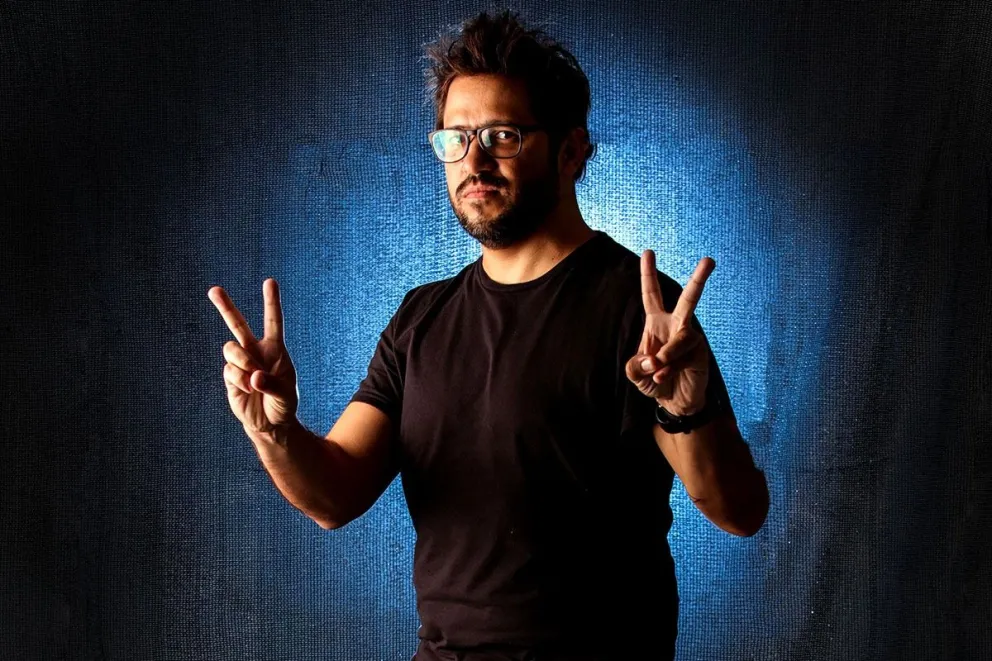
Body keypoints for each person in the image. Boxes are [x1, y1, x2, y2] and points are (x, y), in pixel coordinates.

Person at [208, 10, 768, 661]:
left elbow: (740, 511)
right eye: (455, 138)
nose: (473, 161)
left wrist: (686, 408)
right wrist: (273, 432)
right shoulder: (421, 318)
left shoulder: (642, 311)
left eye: (502, 136)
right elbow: (334, 494)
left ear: (570, 152)